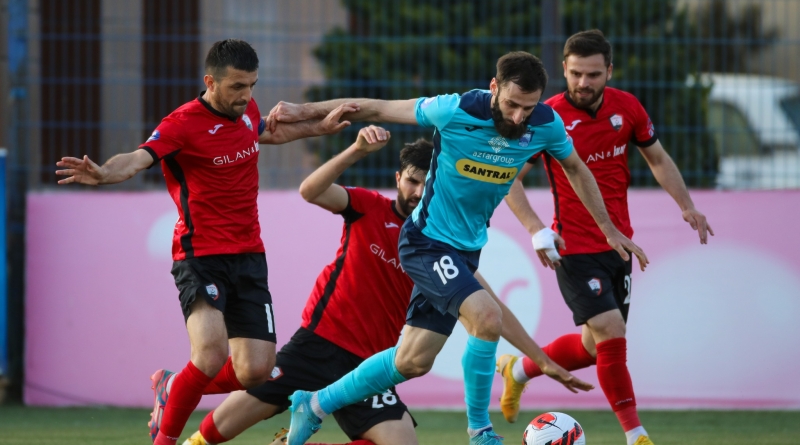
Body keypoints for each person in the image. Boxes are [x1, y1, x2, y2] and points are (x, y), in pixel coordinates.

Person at [266, 51, 646, 445]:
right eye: (512, 104)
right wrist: (302, 111)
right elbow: (373, 107)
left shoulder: (546, 124)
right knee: (487, 317)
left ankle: (315, 404)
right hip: (425, 241)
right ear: (494, 87)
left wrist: (608, 229)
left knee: (412, 360)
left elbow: (576, 167)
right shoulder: (455, 109)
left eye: (528, 108)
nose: (519, 117)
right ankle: (480, 431)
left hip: (466, 250)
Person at [180, 126, 588, 445]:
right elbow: (311, 190)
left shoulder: (446, 247)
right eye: (411, 181)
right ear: (398, 178)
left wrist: (541, 359)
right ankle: (180, 404)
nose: (418, 192)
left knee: (401, 440)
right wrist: (357, 150)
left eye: (428, 183)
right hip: (318, 344)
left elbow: (490, 312)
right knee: (231, 419)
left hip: (369, 366)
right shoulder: (368, 207)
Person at [55, 39, 354, 445]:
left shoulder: (246, 111)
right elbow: (139, 157)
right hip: (200, 255)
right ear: (210, 82)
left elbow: (263, 133)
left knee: (256, 371)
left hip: (250, 254)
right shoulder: (181, 124)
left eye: (252, 85)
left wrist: (318, 127)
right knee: (211, 355)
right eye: (237, 86)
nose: (246, 95)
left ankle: (173, 385)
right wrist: (105, 173)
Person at [497, 30, 713, 445]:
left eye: (593, 74)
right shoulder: (546, 117)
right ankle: (636, 435)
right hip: (573, 248)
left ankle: (518, 369)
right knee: (612, 332)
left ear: (609, 71)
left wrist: (686, 205)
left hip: (620, 245)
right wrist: (537, 229)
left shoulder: (627, 107)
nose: (583, 82)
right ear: (564, 69)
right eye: (576, 73)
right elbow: (509, 178)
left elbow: (657, 158)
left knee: (594, 348)